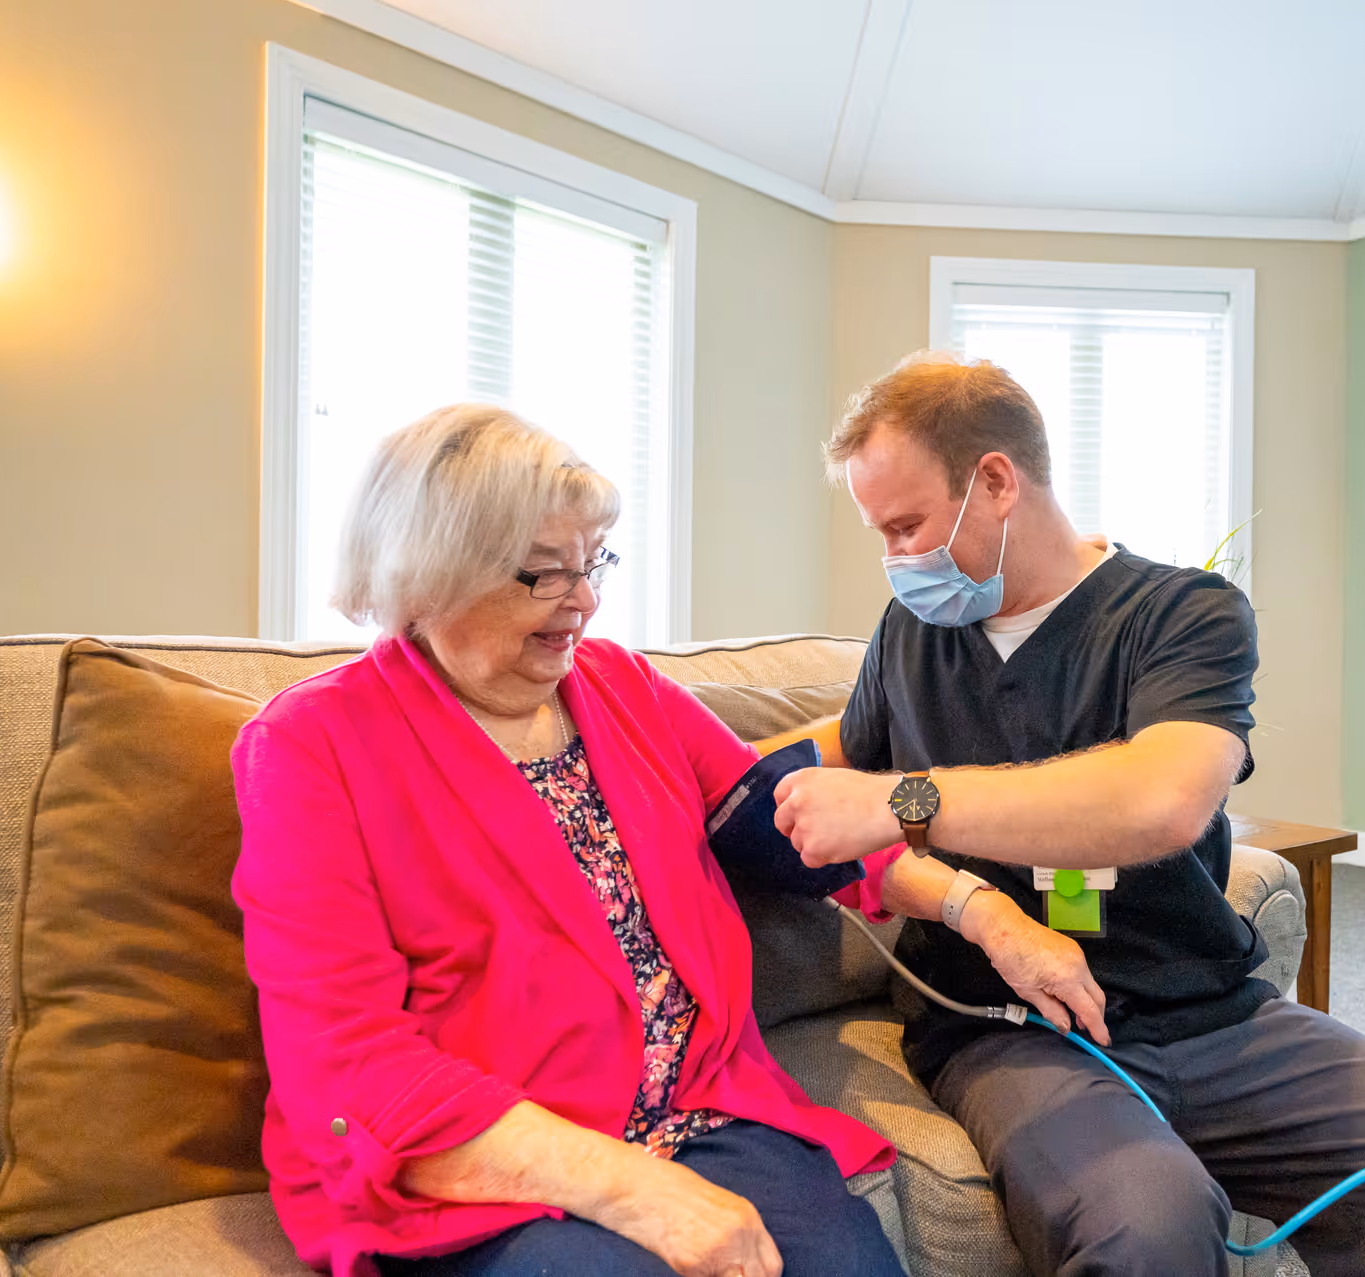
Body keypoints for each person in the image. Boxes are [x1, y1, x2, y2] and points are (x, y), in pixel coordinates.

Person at [760, 353, 1365, 1277]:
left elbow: (1160, 799)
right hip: (1011, 1032)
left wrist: (910, 799)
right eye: (881, 535)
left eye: (907, 526)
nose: (897, 560)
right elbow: (821, 768)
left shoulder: (1183, 613)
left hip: (1211, 1016)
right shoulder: (910, 636)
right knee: (1151, 1229)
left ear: (994, 481)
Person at [231, 405, 906, 1277]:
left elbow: (785, 817)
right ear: (430, 576)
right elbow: (346, 1060)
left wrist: (977, 907)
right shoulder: (312, 744)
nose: (583, 602)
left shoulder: (620, 685)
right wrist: (631, 1187)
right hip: (485, 1159)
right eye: (543, 576)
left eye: (593, 566)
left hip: (701, 1108)